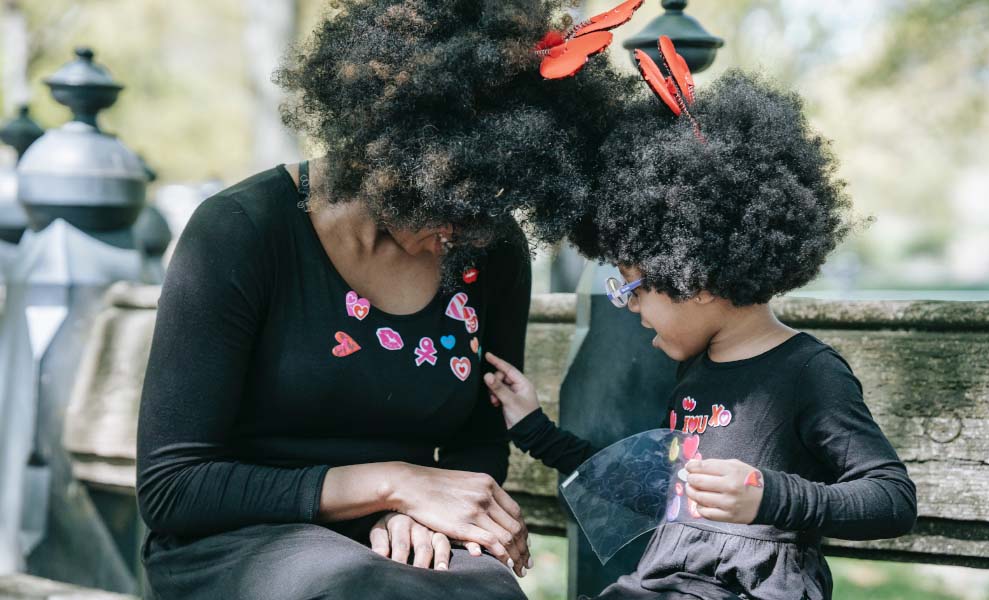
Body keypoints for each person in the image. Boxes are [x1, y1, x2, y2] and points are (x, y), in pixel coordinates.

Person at [135, 1, 635, 598]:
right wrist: (393, 485)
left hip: (402, 535)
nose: (462, 234)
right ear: (393, 149)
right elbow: (173, 486)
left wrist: (421, 511)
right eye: (450, 203)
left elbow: (479, 440)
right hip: (240, 537)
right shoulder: (242, 232)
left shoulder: (489, 246)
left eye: (490, 206)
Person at [482, 70, 918, 600]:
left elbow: (892, 498)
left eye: (634, 287)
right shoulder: (695, 372)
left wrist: (767, 495)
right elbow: (650, 489)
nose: (630, 306)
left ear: (696, 275)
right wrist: (533, 429)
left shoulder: (809, 373)